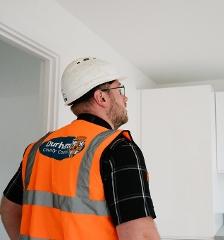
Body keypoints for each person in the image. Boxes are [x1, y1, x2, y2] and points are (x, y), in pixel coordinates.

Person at [0, 57, 160, 240]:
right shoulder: (118, 148)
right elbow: (140, 234)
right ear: (101, 97)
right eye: (119, 89)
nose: (125, 97)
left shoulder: (37, 149)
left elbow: (8, 210)